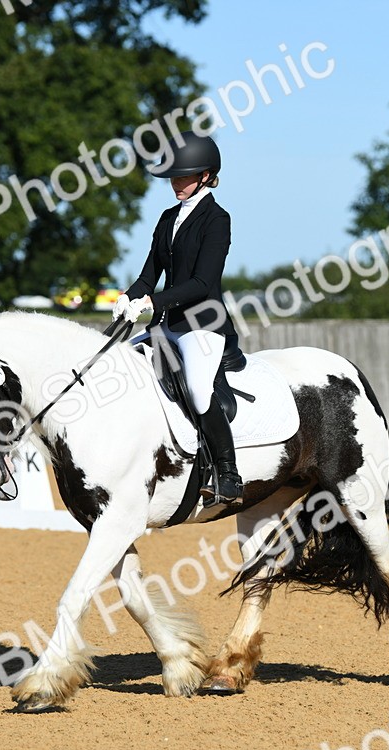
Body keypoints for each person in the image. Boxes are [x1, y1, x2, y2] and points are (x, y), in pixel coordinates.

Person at [113, 131, 243, 506]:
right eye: (173, 177)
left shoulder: (217, 219)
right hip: (166, 325)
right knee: (120, 367)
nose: (176, 184)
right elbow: (148, 274)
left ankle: (228, 473)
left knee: (200, 391)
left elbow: (203, 282)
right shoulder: (168, 217)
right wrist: (129, 297)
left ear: (205, 175)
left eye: (183, 177)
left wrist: (152, 302)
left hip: (202, 323)